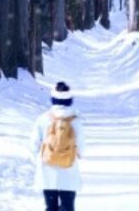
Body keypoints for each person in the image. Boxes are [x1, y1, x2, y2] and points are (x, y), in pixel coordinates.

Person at [29, 81, 86, 211]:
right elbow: (81, 145)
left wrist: (36, 157)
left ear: (53, 99)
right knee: (67, 206)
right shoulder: (76, 120)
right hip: (69, 169)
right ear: (69, 100)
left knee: (50, 206)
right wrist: (79, 154)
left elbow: (34, 144)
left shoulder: (43, 118)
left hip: (47, 170)